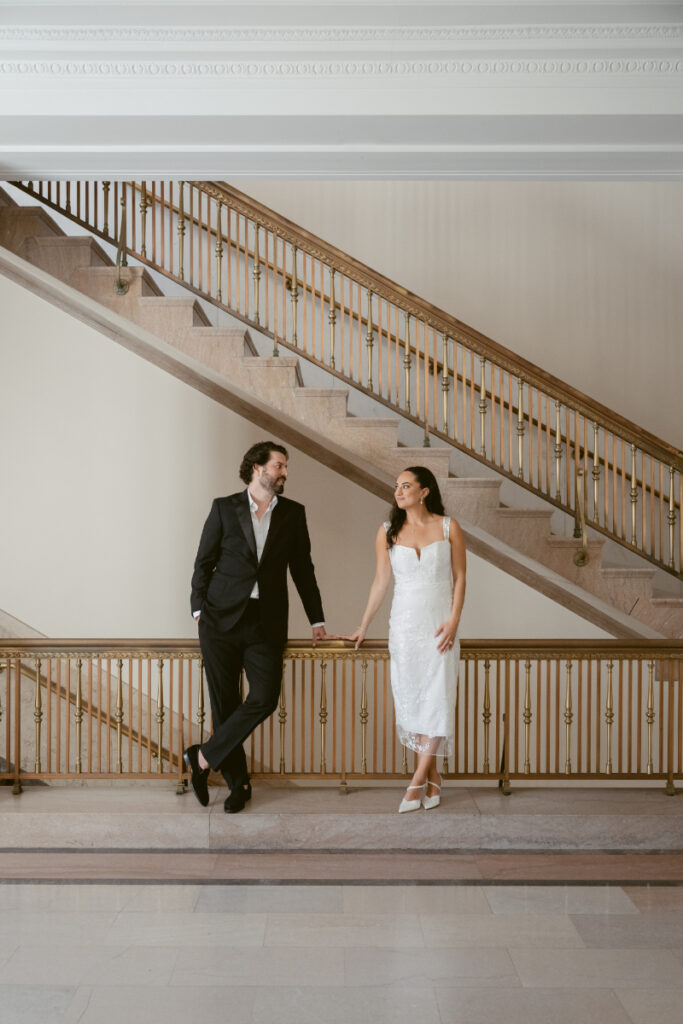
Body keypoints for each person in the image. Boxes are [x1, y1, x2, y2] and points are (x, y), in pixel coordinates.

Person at [184, 441, 327, 812]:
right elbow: (204, 560)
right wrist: (198, 609)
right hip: (219, 620)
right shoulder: (224, 508)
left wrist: (317, 619)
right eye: (279, 465)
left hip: (266, 622)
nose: (284, 472)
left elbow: (303, 570)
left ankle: (201, 758)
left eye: (284, 466)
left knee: (264, 697)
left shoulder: (293, 513)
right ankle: (239, 786)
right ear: (257, 468)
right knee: (225, 706)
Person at [344, 466, 466, 813]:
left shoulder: (448, 527)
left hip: (440, 627)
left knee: (437, 699)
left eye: (406, 485)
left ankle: (416, 783)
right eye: (397, 486)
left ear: (424, 491)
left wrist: (454, 620)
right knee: (414, 703)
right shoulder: (387, 531)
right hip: (405, 629)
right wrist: (364, 625)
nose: (398, 491)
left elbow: (460, 578)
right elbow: (381, 581)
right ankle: (434, 778)